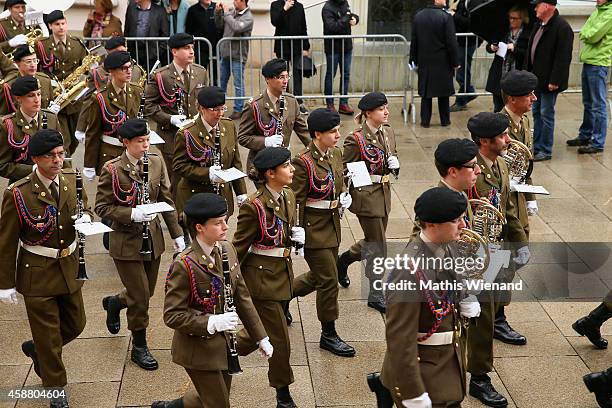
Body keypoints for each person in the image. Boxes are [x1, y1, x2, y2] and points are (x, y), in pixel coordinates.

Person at [0, 129, 93, 408]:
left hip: (69, 265)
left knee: (77, 323)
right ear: (36, 159)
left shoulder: (70, 178)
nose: (58, 160)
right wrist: (5, 283)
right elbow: (6, 241)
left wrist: (86, 219)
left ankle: (39, 350)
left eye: (61, 154)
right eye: (51, 156)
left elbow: (84, 207)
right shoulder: (19, 193)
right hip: (37, 270)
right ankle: (55, 389)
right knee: (49, 336)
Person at [152, 193, 272, 408]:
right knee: (218, 403)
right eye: (218, 223)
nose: (226, 227)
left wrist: (260, 337)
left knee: (214, 396)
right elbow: (172, 315)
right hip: (197, 349)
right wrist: (211, 322)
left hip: (224, 344)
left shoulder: (227, 249)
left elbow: (241, 295)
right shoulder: (184, 264)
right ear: (199, 227)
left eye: (225, 220)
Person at [367, 187, 480, 408]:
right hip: (424, 371)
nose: (463, 225)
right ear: (431, 225)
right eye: (456, 220)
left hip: (447, 361)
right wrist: (412, 392)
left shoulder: (447, 246)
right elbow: (400, 339)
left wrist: (465, 296)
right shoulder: (407, 270)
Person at [95, 118, 185, 371]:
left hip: (152, 239)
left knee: (146, 292)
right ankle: (139, 346)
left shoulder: (156, 162)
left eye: (147, 140)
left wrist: (178, 236)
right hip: (125, 241)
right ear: (125, 143)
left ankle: (115, 302)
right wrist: (131, 213)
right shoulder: (112, 169)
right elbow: (101, 207)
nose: (146, 146)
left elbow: (166, 198)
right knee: (140, 297)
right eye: (140, 142)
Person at [466, 111, 530, 408]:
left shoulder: (501, 164)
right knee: (479, 319)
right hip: (475, 257)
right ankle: (479, 378)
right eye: (503, 136)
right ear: (484, 141)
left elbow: (507, 210)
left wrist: (520, 243)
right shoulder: (470, 172)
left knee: (487, 314)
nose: (508, 140)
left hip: (497, 250)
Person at [232, 147, 304, 408]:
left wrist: (295, 238)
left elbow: (281, 232)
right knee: (280, 341)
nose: (292, 169)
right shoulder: (254, 206)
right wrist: (229, 285)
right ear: (270, 174)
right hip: (261, 281)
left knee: (257, 333)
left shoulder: (288, 194)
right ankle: (282, 395)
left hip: (281, 274)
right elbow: (237, 249)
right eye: (286, 166)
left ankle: (220, 353)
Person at [289, 108, 355, 357]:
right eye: (333, 131)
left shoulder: (335, 154)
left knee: (320, 276)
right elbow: (295, 199)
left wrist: (343, 198)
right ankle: (328, 333)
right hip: (313, 230)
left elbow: (337, 183)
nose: (338, 135)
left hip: (332, 225)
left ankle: (283, 295)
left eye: (338, 130)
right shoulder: (303, 162)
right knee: (328, 280)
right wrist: (296, 229)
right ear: (317, 134)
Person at [338, 92, 399, 313]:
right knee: (378, 245)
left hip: (383, 193)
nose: (386, 112)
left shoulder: (389, 132)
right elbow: (344, 168)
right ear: (368, 113)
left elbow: (392, 156)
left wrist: (395, 165)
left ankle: (343, 260)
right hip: (366, 195)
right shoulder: (356, 139)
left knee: (373, 240)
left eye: (386, 107)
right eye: (381, 109)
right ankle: (375, 291)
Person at [144, 32, 209, 196]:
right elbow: (147, 105)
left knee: (197, 177)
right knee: (176, 181)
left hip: (196, 136)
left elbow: (205, 102)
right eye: (186, 48)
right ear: (174, 51)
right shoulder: (161, 76)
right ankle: (177, 217)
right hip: (171, 137)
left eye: (192, 48)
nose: (192, 52)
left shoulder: (200, 72)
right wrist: (170, 119)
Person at [173, 86, 247, 222]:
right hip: (197, 198)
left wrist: (241, 192)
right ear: (201, 109)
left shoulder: (228, 126)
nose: (220, 114)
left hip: (222, 197)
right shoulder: (186, 133)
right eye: (215, 110)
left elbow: (235, 161)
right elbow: (179, 166)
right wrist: (207, 173)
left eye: (222, 108)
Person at [238, 58, 310, 176]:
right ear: (268, 79)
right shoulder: (255, 105)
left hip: (283, 164)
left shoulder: (291, 101)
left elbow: (304, 132)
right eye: (281, 77)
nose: (285, 81)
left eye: (287, 77)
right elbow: (243, 137)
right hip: (262, 166)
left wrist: (319, 151)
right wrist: (266, 141)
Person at [82, 51, 143, 180]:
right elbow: (93, 132)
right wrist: (89, 164)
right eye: (124, 68)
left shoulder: (137, 91)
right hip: (110, 153)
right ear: (112, 71)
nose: (129, 71)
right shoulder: (100, 97)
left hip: (133, 153)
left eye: (130, 67)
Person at [525, 0, 573, 161]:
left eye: (537, 5)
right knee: (537, 113)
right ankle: (537, 146)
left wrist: (555, 80)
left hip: (549, 81)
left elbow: (563, 57)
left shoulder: (562, 27)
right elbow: (531, 50)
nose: (535, 8)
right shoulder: (539, 24)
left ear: (546, 6)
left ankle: (545, 149)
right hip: (536, 79)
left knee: (546, 114)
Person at [36, 10, 89, 157]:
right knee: (63, 138)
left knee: (74, 139)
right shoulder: (41, 46)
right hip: (55, 98)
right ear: (50, 26)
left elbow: (86, 68)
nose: (61, 27)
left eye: (63, 23)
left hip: (74, 100)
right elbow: (36, 70)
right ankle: (63, 166)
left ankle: (66, 159)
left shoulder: (77, 44)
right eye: (57, 24)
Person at [74, 36, 147, 142]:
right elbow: (88, 101)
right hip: (110, 126)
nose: (119, 55)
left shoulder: (136, 70)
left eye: (121, 51)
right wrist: (81, 128)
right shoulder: (98, 73)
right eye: (114, 53)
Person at [566, 0, 612, 155]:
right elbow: (586, 30)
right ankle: (585, 135)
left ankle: (598, 142)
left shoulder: (610, 13)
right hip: (589, 61)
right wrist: (587, 33)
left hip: (599, 63)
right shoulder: (598, 11)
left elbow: (591, 36)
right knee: (588, 103)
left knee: (598, 104)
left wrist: (587, 34)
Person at [412, 138, 480, 240]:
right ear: (453, 171)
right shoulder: (434, 204)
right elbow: (418, 242)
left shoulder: (462, 194)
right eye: (472, 166)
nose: (478, 170)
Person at [0, 76, 63, 184]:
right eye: (31, 96)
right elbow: (2, 165)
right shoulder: (8, 125)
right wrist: (33, 169)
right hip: (24, 185)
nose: (37, 99)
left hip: (53, 182)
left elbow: (62, 151)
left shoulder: (51, 118)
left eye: (38, 94)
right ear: (18, 98)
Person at [500, 69, 539, 234]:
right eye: (529, 94)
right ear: (512, 99)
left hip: (519, 197)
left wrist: (530, 198)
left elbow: (525, 167)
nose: (534, 98)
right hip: (504, 200)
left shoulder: (524, 121)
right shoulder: (498, 127)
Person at [410, 0, 459, 128]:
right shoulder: (446, 17)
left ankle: (425, 121)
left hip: (424, 60)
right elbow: (451, 42)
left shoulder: (419, 16)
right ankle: (445, 120)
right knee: (443, 93)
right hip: (442, 61)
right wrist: (455, 61)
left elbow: (414, 40)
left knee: (426, 93)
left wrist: (413, 59)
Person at [485, 6, 531, 112]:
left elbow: (529, 54)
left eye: (515, 18)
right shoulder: (503, 30)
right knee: (498, 106)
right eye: (510, 17)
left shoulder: (528, 33)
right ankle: (499, 127)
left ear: (522, 19)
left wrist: (515, 48)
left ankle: (514, 127)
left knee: (515, 108)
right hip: (500, 74)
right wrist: (492, 47)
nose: (512, 20)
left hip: (517, 75)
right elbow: (490, 45)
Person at [215, 0, 253, 120]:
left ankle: (238, 109)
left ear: (243, 1)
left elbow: (236, 27)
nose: (233, 2)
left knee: (238, 84)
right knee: (221, 82)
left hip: (238, 55)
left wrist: (226, 14)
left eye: (236, 0)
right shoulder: (231, 12)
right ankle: (218, 106)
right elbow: (219, 25)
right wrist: (218, 13)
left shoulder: (248, 17)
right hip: (225, 54)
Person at [270, 0, 310, 114]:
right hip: (282, 47)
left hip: (297, 47)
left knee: (297, 75)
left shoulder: (299, 6)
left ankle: (298, 103)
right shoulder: (276, 5)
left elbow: (303, 27)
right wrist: (284, 9)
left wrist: (306, 47)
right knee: (283, 76)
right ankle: (284, 102)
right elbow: (275, 22)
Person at [322, 0, 358, 114]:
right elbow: (332, 27)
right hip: (333, 48)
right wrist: (346, 18)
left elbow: (350, 15)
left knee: (346, 75)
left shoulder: (344, 3)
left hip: (346, 47)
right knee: (330, 75)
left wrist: (355, 19)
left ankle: (343, 103)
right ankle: (330, 104)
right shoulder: (327, 8)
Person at [0, 45, 55, 116]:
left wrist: (51, 114)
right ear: (17, 63)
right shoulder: (8, 86)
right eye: (28, 61)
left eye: (35, 61)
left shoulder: (45, 80)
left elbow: (49, 103)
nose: (33, 65)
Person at [449, 0, 482, 112]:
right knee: (460, 69)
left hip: (468, 41)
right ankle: (469, 92)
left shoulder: (476, 2)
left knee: (461, 70)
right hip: (461, 40)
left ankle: (463, 99)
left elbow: (472, 22)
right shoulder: (462, 1)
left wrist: (455, 15)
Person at [124, 0, 169, 70]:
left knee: (150, 79)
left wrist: (157, 53)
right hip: (134, 53)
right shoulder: (131, 8)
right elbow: (127, 30)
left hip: (152, 55)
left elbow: (165, 34)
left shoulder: (160, 11)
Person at [185, 0, 224, 81]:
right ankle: (201, 92)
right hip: (200, 49)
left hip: (216, 48)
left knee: (216, 76)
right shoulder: (192, 10)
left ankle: (214, 92)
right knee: (200, 75)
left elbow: (222, 27)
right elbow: (189, 30)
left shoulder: (217, 8)